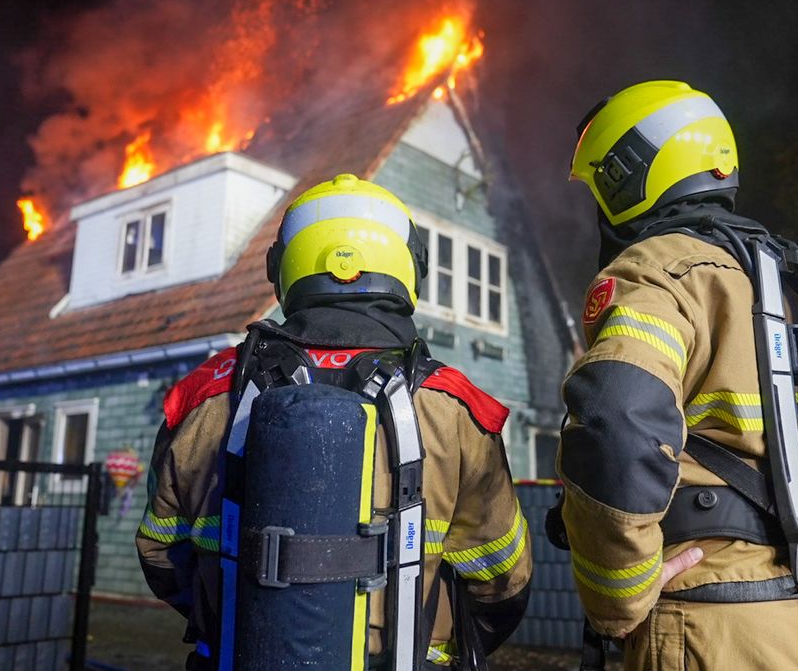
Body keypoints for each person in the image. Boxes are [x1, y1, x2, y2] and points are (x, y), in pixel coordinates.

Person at [136, 173, 532, 669]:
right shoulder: (454, 406)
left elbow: (161, 554)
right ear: (409, 267)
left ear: (283, 268)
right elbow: (501, 579)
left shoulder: (205, 396)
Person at [557, 80, 798, 669]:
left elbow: (612, 419)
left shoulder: (662, 271)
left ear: (628, 177)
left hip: (714, 619)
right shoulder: (789, 280)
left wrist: (618, 596)